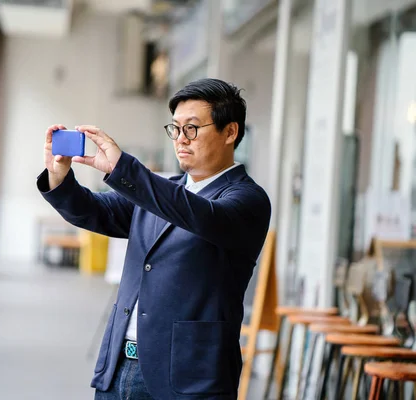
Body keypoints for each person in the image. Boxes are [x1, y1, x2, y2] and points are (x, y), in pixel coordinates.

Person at [37, 78, 271, 400]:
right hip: (120, 367)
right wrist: (59, 176)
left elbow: (198, 214)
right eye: (175, 129)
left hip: (189, 379)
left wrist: (125, 169)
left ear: (230, 132)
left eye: (192, 128)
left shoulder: (246, 200)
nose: (180, 140)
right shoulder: (160, 192)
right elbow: (93, 210)